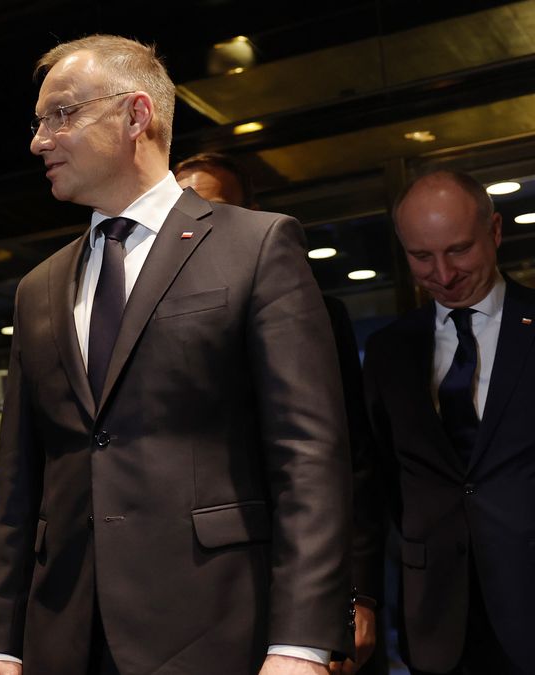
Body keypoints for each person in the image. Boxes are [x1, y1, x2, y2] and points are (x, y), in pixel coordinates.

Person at [0, 35, 352, 675]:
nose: (39, 140)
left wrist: (301, 644)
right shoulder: (38, 289)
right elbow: (18, 484)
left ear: (135, 115)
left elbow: (308, 456)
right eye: (38, 121)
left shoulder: (255, 248)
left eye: (61, 114)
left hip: (215, 626)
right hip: (64, 637)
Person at [172, 152, 386, 674]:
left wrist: (358, 594)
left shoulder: (310, 308)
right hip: (182, 589)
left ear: (249, 213)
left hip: (287, 572)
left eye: (212, 208)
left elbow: (345, 458)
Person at [362, 171, 533, 675]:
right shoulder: (390, 350)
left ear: (495, 231)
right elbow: (382, 481)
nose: (442, 273)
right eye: (421, 257)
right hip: (438, 619)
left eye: (459, 250)